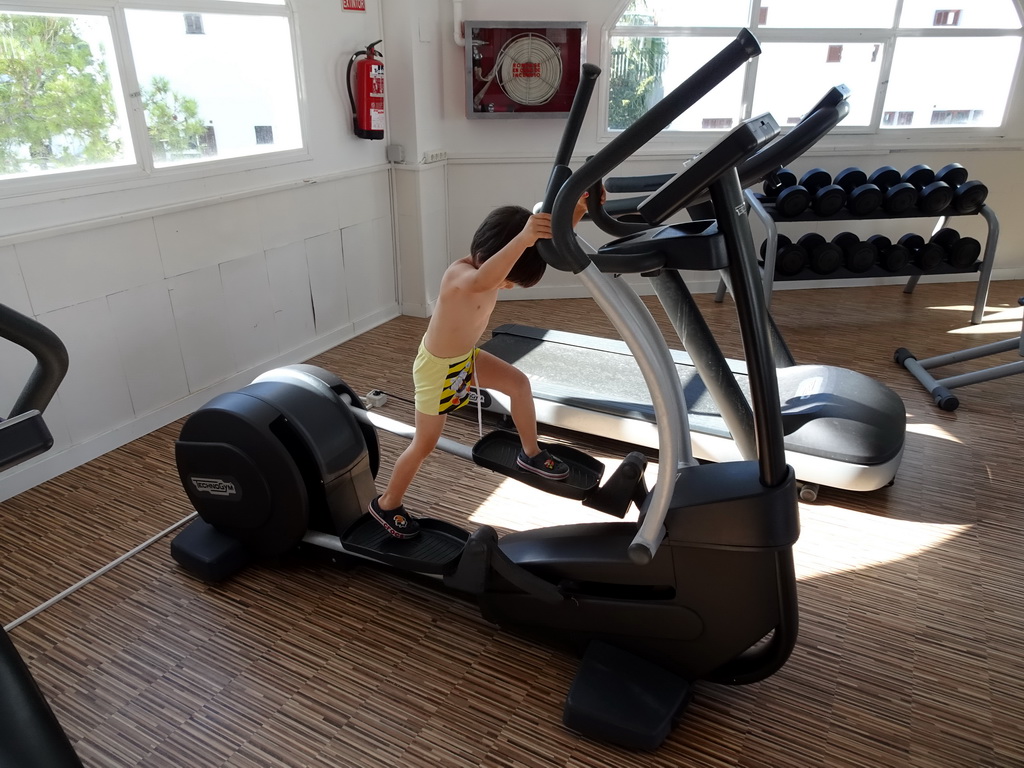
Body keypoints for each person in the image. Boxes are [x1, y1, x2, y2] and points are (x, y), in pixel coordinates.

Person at [368, 192, 596, 539]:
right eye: (510, 279)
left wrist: (577, 211)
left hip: (464, 359)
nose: (507, 285)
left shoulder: (492, 267)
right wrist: (523, 237)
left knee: (519, 384)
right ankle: (386, 503)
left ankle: (530, 453)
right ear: (487, 255)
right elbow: (485, 281)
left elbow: (547, 248)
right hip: (436, 370)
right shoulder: (459, 275)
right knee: (424, 444)